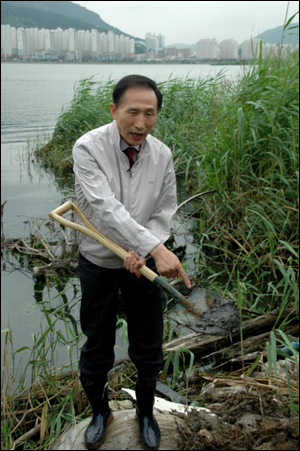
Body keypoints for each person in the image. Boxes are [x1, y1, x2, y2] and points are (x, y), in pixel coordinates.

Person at [72, 74, 191, 450]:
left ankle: (144, 412)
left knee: (148, 343)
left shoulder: (162, 154)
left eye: (150, 114)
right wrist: (152, 248)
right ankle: (100, 412)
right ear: (114, 110)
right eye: (133, 112)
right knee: (97, 343)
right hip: (99, 261)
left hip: (142, 262)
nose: (141, 123)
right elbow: (105, 209)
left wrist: (148, 246)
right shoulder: (87, 148)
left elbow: (164, 209)